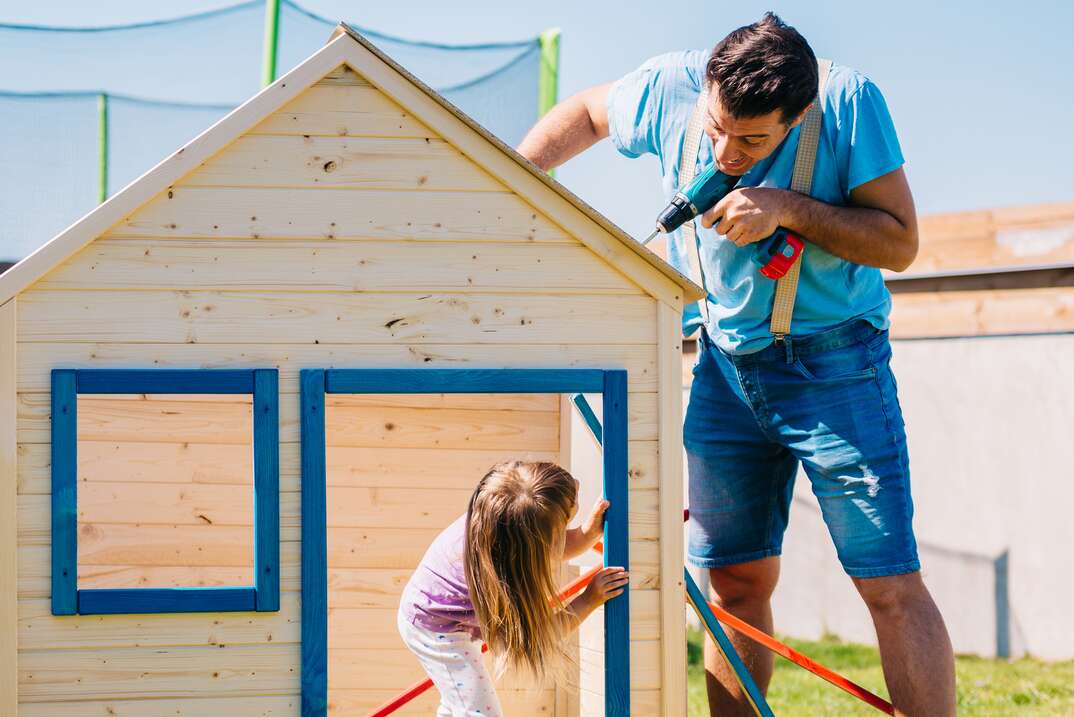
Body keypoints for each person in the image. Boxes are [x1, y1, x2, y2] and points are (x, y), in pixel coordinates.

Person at [517, 12, 955, 717]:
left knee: (889, 585)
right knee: (732, 581)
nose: (725, 151)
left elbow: (899, 243)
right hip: (723, 369)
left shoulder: (850, 104)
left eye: (751, 140)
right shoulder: (669, 85)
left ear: (799, 113)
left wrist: (786, 207)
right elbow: (588, 111)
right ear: (708, 84)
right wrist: (517, 180)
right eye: (717, 126)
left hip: (835, 364)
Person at [397, 460, 627, 717]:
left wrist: (586, 533)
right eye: (565, 521)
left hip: (440, 616)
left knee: (458, 703)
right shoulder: (500, 575)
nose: (578, 486)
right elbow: (540, 633)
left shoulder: (499, 518)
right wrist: (588, 599)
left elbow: (551, 545)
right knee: (480, 711)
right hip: (434, 629)